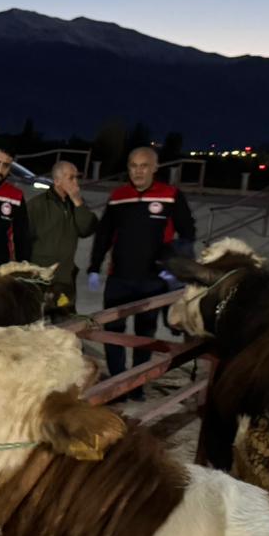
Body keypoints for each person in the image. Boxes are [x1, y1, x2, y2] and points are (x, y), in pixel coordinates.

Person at [86, 146, 195, 398]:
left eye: (144, 165)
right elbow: (103, 234)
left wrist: (173, 268)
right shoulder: (118, 196)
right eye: (133, 165)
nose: (138, 171)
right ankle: (117, 385)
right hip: (119, 278)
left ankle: (136, 385)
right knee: (113, 334)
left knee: (144, 336)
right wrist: (94, 267)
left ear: (155, 168)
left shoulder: (170, 195)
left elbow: (187, 234)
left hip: (152, 281)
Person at [27, 158, 99, 310]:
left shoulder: (77, 205)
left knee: (65, 326)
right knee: (36, 328)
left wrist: (77, 202)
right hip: (39, 280)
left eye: (76, 177)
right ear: (57, 180)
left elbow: (87, 230)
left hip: (65, 280)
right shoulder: (37, 204)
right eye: (71, 178)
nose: (76, 182)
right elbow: (23, 239)